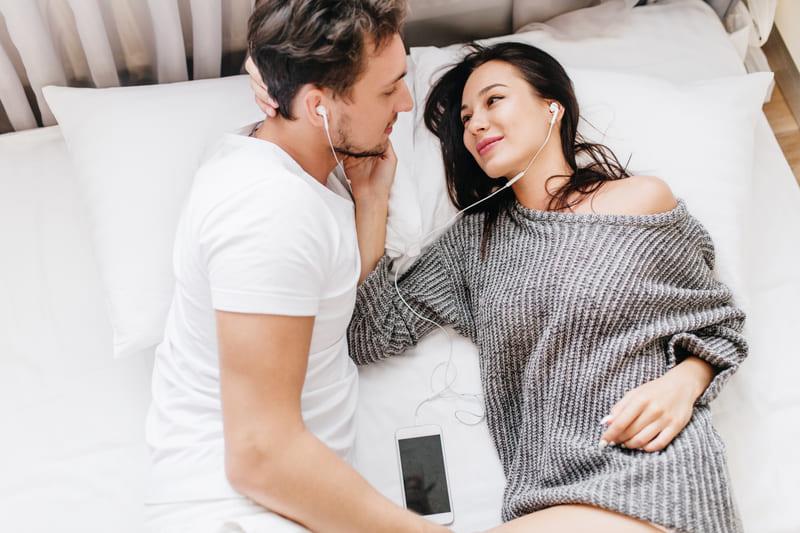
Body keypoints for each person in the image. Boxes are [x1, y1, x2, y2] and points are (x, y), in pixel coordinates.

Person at [345, 42, 747, 532]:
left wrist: (683, 384)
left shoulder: (640, 202)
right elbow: (368, 333)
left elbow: (719, 323)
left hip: (659, 474)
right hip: (547, 497)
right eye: (466, 118)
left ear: (551, 107)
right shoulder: (474, 244)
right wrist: (371, 197)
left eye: (494, 100)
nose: (475, 125)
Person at [142, 1, 456, 531]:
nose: (405, 102)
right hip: (238, 508)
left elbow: (329, 297)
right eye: (388, 90)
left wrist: (371, 199)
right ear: (317, 106)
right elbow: (260, 457)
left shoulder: (306, 159)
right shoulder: (268, 216)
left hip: (287, 495)